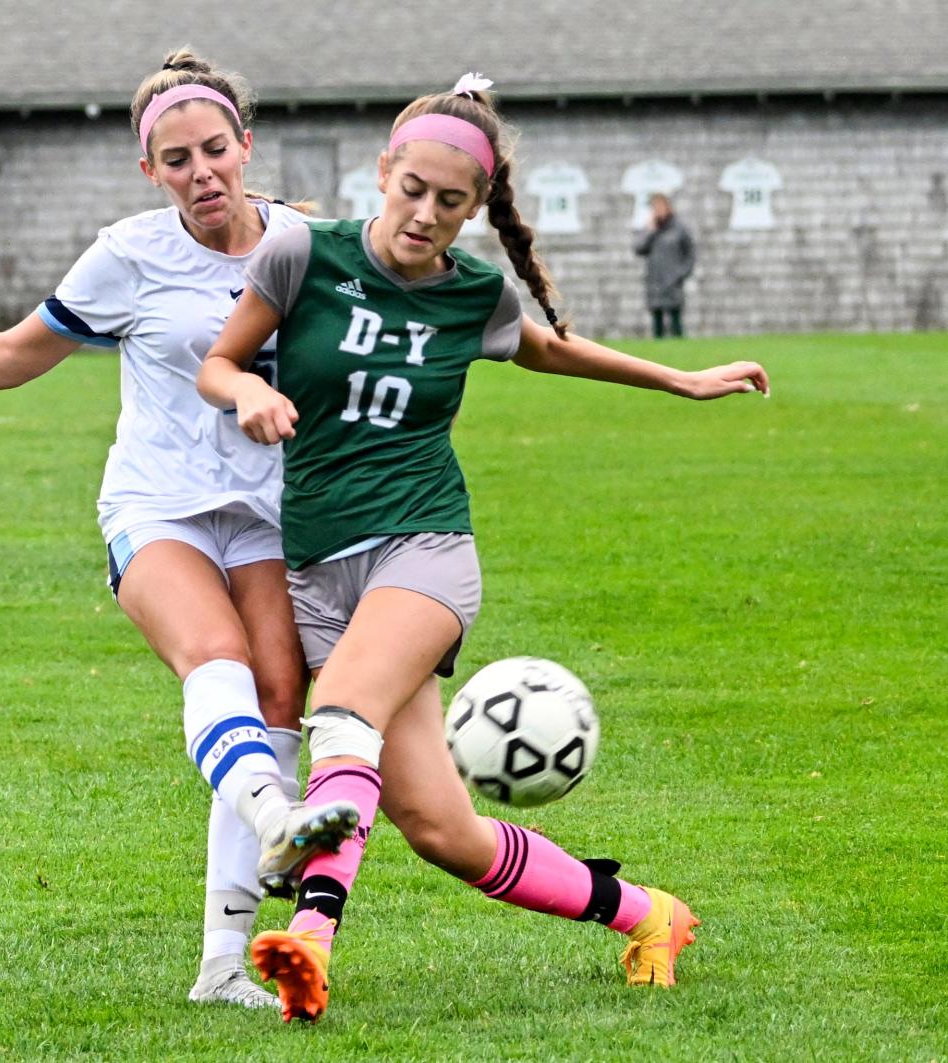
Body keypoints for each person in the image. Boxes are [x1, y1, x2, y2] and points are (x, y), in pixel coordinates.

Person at [197, 74, 770, 1024]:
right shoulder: (304, 254)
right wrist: (245, 392)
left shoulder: (476, 295)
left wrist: (679, 378)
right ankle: (651, 913)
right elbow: (220, 360)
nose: (425, 214)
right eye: (412, 188)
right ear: (383, 171)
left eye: (450, 202)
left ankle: (309, 940)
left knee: (341, 708)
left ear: (480, 206)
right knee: (440, 828)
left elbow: (550, 350)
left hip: (424, 549)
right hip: (316, 568)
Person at [0, 49, 358, 1010]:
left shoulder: (308, 246)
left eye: (214, 151)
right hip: (158, 503)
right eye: (177, 159)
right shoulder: (130, 253)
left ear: (246, 147)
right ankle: (279, 819)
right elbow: (15, 355)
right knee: (218, 660)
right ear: (149, 171)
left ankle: (222, 966)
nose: (201, 173)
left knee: (283, 690)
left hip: (273, 512)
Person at [634, 192, 695, 338]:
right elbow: (639, 249)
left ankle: (681, 349)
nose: (657, 210)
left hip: (673, 281)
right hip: (655, 280)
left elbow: (690, 254)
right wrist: (651, 231)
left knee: (675, 320)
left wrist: (681, 274)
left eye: (660, 206)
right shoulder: (651, 229)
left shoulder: (679, 228)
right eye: (655, 207)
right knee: (657, 320)